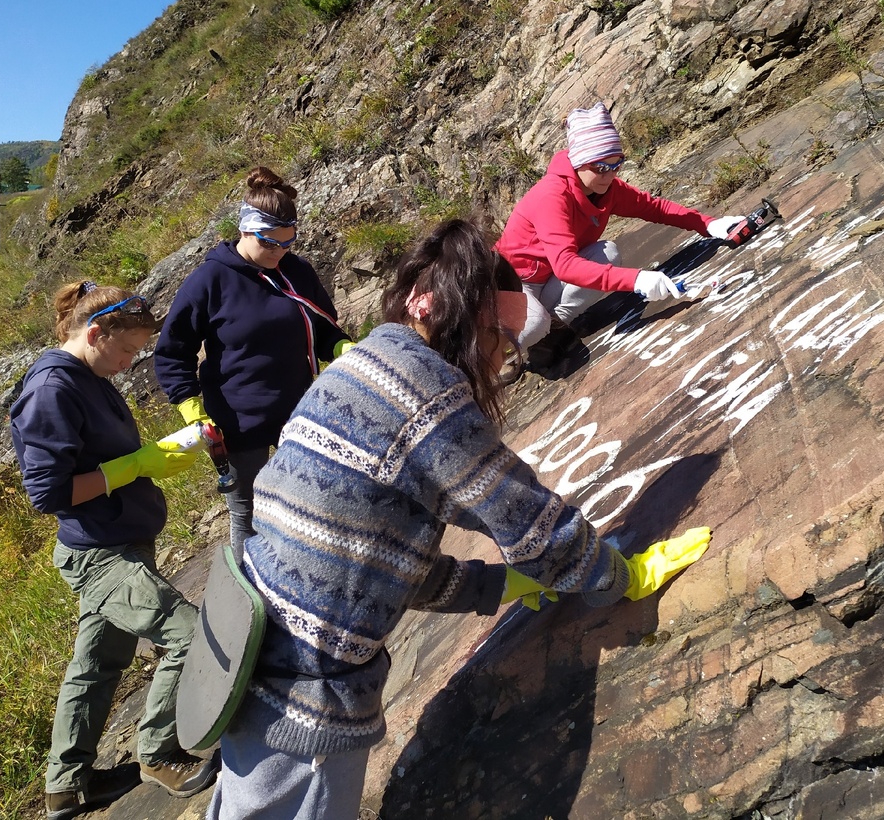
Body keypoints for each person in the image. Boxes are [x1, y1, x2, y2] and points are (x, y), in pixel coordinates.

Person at [205, 219, 711, 820]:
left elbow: (374, 555)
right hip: (307, 694)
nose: (503, 359)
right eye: (501, 337)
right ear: (469, 322)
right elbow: (533, 528)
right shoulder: (427, 397)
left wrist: (498, 586)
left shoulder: (359, 363)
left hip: (247, 655)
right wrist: (622, 578)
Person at [8, 282, 219, 820]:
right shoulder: (53, 390)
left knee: (97, 664)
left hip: (118, 539)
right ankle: (158, 753)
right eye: (125, 351)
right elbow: (48, 492)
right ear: (95, 332)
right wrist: (134, 466)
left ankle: (67, 786)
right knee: (188, 633)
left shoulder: (89, 375)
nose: (128, 363)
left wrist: (157, 456)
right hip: (99, 554)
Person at [154, 166, 352, 563]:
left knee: (317, 491)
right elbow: (172, 352)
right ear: (246, 230)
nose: (279, 252)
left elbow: (325, 329)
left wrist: (347, 349)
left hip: (299, 408)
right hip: (238, 421)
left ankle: (319, 567)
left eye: (288, 242)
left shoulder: (295, 271)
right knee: (249, 511)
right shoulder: (210, 280)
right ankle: (252, 594)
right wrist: (193, 410)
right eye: (270, 243)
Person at [495, 100, 737, 352]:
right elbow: (566, 265)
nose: (610, 175)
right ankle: (505, 352)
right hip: (514, 284)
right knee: (533, 323)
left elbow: (653, 207)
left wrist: (708, 224)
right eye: (600, 167)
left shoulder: (607, 188)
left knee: (608, 253)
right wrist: (636, 279)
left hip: (549, 279)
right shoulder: (551, 196)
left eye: (616, 165)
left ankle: (553, 329)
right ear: (580, 162)